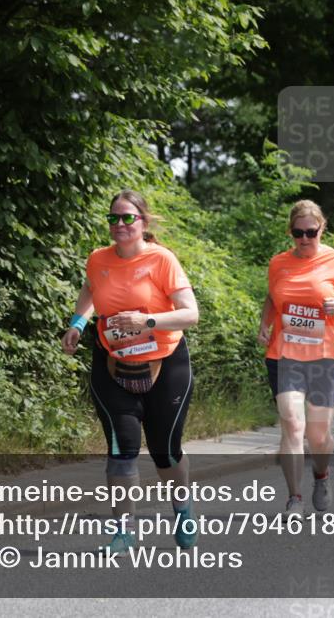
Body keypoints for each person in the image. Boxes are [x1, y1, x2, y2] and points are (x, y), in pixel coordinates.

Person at [61, 190, 199, 551]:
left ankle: (182, 510)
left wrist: (147, 321)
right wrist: (77, 323)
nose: (119, 224)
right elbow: (89, 289)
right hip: (112, 363)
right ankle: (123, 532)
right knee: (121, 447)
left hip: (166, 364)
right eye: (113, 218)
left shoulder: (161, 259)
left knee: (165, 451)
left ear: (143, 222)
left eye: (127, 218)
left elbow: (190, 314)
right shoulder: (98, 259)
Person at [257, 200, 334, 519]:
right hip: (285, 354)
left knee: (317, 434)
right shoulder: (279, 263)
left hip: (326, 357)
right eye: (298, 233)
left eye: (311, 232)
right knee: (291, 423)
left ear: (322, 228)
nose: (304, 239)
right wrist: (264, 324)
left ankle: (322, 474)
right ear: (290, 232)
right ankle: (294, 498)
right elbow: (273, 298)